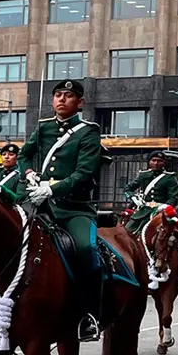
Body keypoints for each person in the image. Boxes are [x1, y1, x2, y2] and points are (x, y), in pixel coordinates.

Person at [20, 80, 104, 341]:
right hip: (39, 203)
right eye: (58, 95)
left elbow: (84, 172)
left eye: (69, 96)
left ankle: (89, 314)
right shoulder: (43, 127)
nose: (62, 99)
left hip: (74, 207)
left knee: (86, 249)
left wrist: (53, 189)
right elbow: (25, 155)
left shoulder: (88, 132)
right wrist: (30, 173)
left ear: (79, 102)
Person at [124, 151, 178, 233]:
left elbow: (174, 197)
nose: (156, 163)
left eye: (159, 161)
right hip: (144, 210)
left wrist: (165, 206)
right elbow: (127, 189)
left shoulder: (170, 178)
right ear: (149, 162)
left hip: (162, 211)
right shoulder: (143, 175)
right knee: (127, 231)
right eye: (153, 160)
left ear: (164, 163)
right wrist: (133, 197)